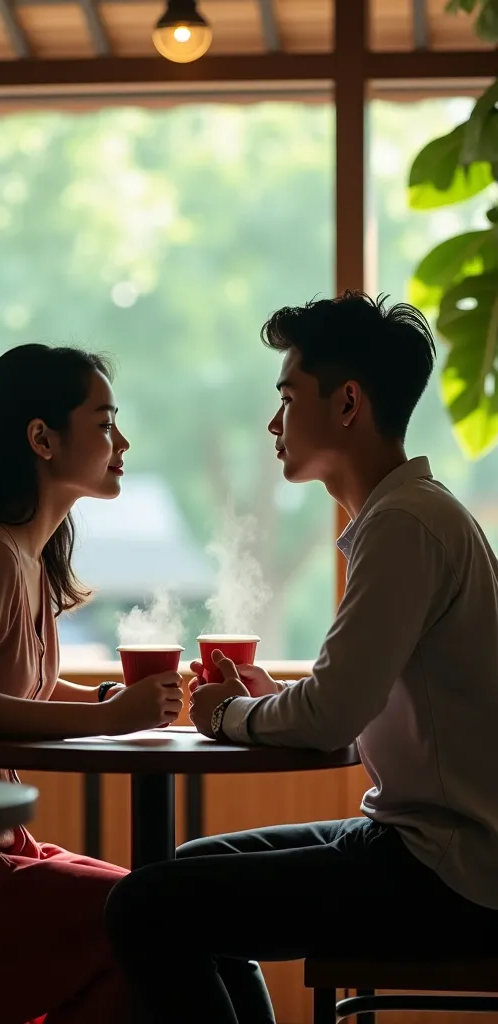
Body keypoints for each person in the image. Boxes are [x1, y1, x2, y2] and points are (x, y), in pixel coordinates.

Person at [104, 291, 498, 1024]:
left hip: (449, 869)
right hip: (415, 841)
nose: (272, 423)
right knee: (189, 872)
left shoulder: (405, 526)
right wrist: (264, 700)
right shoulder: (408, 516)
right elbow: (356, 709)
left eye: (287, 398)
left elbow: (332, 716)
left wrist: (228, 713)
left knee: (142, 907)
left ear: (348, 403)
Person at [0, 344, 184, 1024]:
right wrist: (109, 722)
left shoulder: (25, 560)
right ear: (41, 438)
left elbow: (16, 687)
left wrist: (108, 704)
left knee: (179, 922)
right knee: (161, 922)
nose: (122, 441)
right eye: (104, 421)